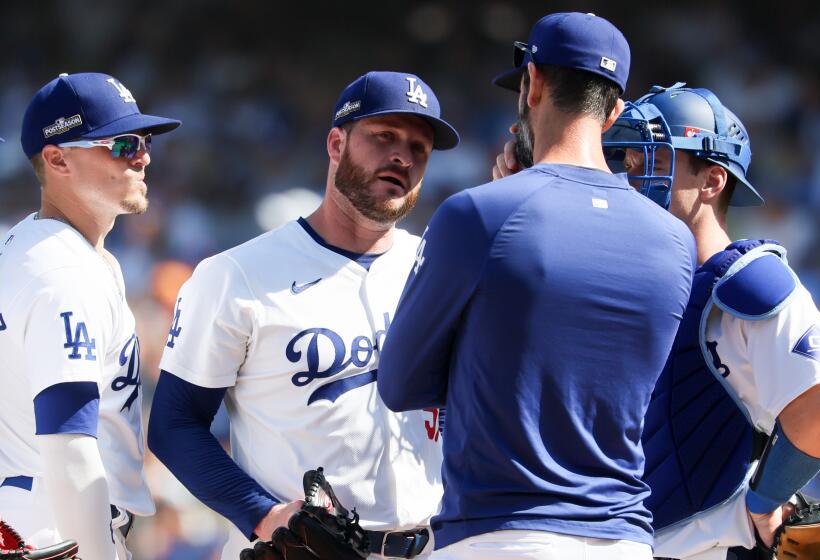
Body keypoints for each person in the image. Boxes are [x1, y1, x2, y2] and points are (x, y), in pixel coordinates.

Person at [377, 12, 696, 560]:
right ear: (615, 110)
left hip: (502, 535)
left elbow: (400, 383)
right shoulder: (673, 239)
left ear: (534, 83)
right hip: (625, 540)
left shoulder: (479, 214)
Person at [147, 70, 459, 560]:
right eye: (384, 137)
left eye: (419, 148)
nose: (403, 156)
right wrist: (262, 514)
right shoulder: (236, 274)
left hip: (434, 546)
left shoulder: (439, 270)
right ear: (336, 144)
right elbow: (175, 423)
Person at [601, 84, 820, 560]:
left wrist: (767, 498)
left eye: (655, 160)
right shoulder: (622, 278)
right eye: (628, 160)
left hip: (710, 546)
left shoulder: (746, 281)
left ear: (712, 181)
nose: (633, 176)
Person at [0, 72, 180, 560]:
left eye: (143, 141)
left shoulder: (42, 247)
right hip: (56, 533)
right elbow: (69, 447)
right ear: (58, 158)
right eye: (121, 144)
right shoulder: (61, 272)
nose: (143, 156)